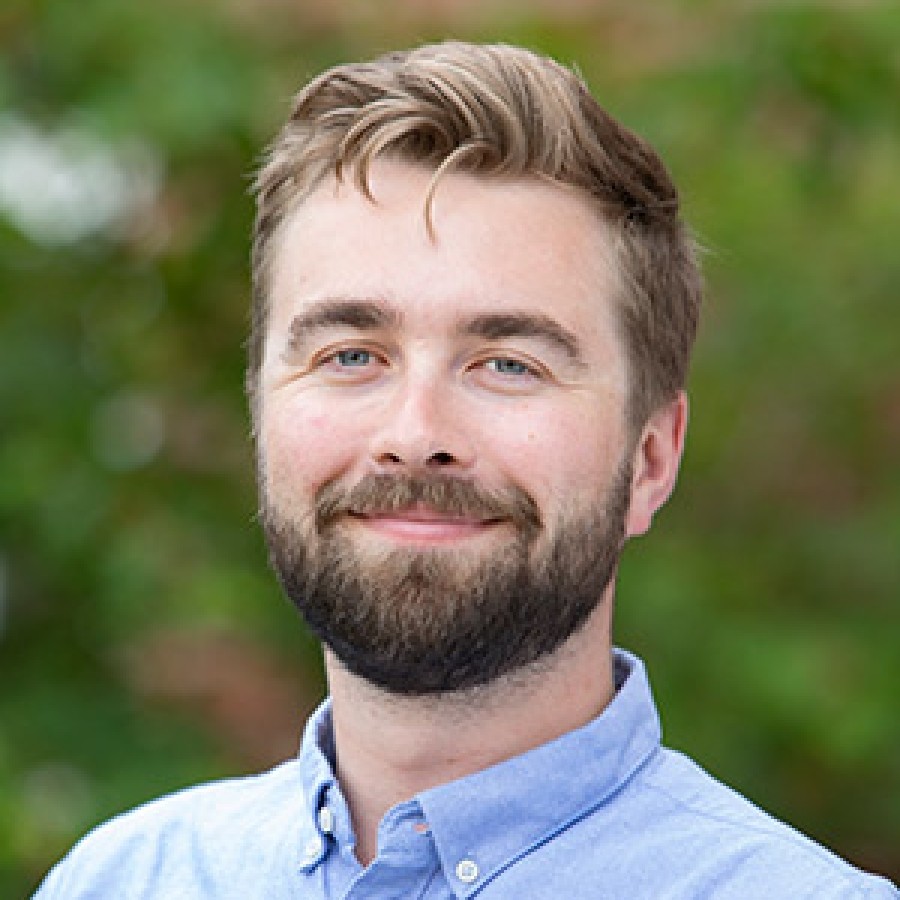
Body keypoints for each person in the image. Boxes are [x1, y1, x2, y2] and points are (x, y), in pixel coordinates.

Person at [34, 41, 897, 899]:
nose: (416, 435)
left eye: (509, 364)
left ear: (651, 459)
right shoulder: (119, 881)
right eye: (351, 355)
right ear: (260, 409)